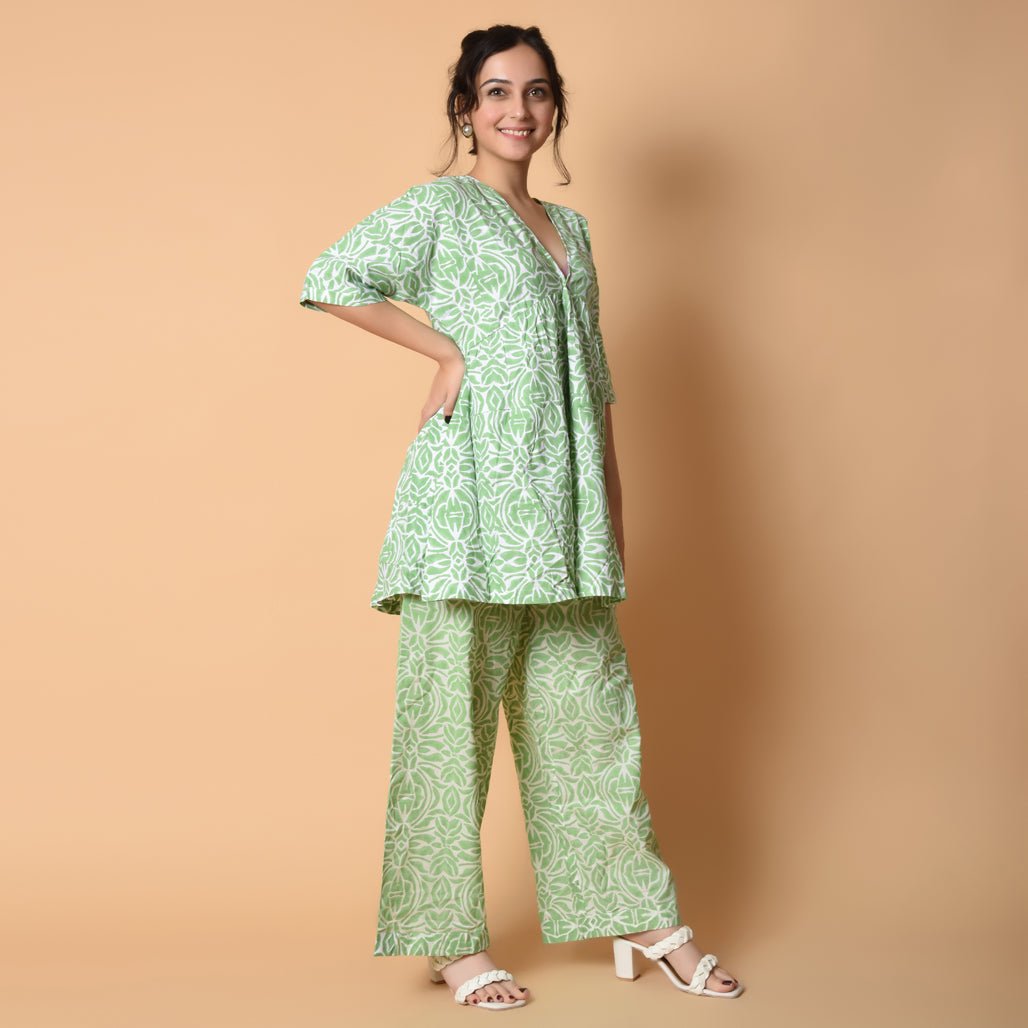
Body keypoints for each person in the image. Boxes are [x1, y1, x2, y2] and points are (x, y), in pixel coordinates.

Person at [298, 23, 743, 1012]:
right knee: (445, 727)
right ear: (465, 109)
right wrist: (445, 351)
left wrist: (611, 513)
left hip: (565, 516)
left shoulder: (572, 230)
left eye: (536, 91)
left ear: (555, 108)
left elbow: (595, 383)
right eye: (496, 91)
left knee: (590, 721)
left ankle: (640, 915)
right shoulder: (440, 209)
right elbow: (331, 277)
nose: (517, 109)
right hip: (465, 511)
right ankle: (450, 942)